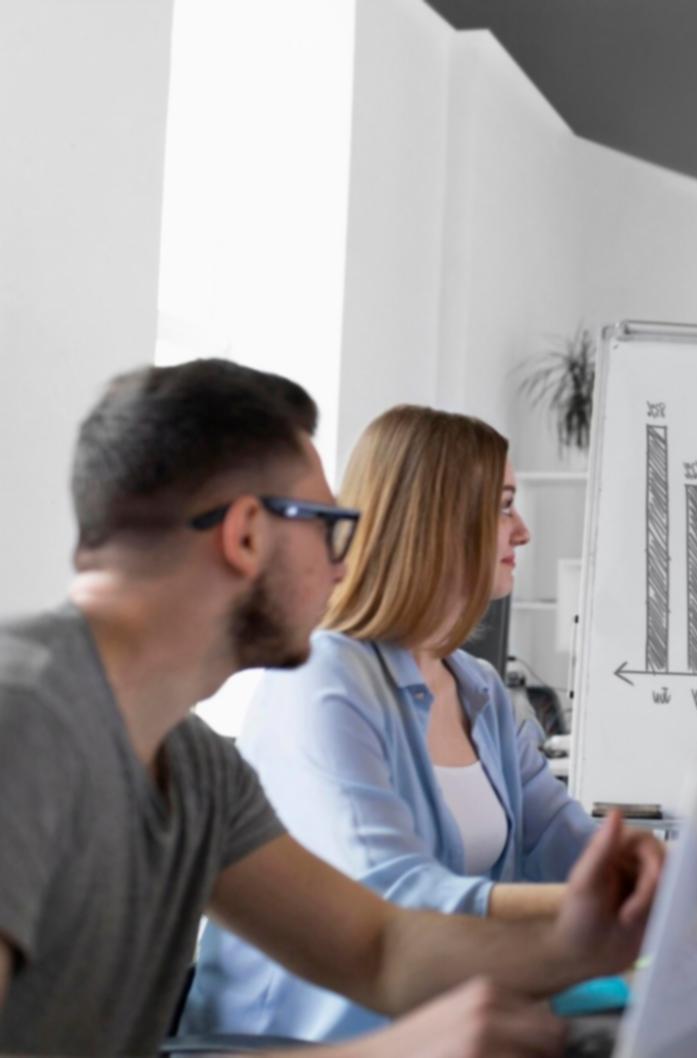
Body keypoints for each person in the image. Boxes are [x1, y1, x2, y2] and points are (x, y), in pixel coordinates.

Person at [0, 360, 659, 1058]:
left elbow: (379, 948)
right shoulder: (23, 722)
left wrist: (579, 937)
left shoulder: (193, 764)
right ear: (247, 535)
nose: (345, 564)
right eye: (329, 527)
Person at [182, 404, 659, 1042]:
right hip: (310, 1038)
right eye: (504, 505)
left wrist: (671, 872)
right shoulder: (322, 677)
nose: (522, 532)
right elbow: (391, 892)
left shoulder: (478, 688)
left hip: (447, 1018)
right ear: (438, 520)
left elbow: (562, 842)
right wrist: (602, 902)